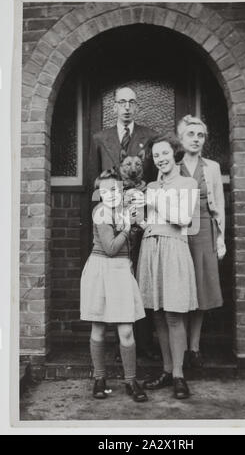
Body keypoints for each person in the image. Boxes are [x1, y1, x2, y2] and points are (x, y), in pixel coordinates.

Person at [89, 86, 158, 360]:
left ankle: (143, 342)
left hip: (139, 218)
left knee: (140, 277)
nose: (127, 107)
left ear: (137, 107)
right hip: (110, 222)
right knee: (113, 278)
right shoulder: (99, 137)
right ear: (114, 107)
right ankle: (113, 344)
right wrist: (102, 221)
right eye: (121, 102)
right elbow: (92, 183)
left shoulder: (149, 137)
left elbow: (153, 180)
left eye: (131, 102)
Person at [136, 133, 199, 399]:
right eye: (155, 155)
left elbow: (183, 218)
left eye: (164, 153)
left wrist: (153, 203)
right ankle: (165, 370)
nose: (160, 159)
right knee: (158, 314)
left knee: (174, 314)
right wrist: (140, 216)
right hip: (151, 248)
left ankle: (179, 375)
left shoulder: (188, 183)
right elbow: (142, 218)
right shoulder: (150, 187)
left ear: (174, 153)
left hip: (174, 248)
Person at [80, 169, 148, 402]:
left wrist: (137, 222)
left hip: (120, 271)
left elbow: (138, 231)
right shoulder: (100, 211)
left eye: (116, 189)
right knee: (98, 327)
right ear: (99, 193)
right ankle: (99, 378)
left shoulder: (123, 211)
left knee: (126, 330)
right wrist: (128, 228)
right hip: (101, 268)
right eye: (106, 190)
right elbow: (109, 248)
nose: (111, 193)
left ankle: (131, 380)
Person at [177, 115, 226, 368]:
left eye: (200, 135)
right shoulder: (173, 167)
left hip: (205, 231)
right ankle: (180, 347)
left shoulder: (213, 168)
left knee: (201, 289)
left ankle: (194, 348)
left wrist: (220, 239)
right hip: (180, 234)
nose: (196, 139)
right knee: (182, 289)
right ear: (181, 138)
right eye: (190, 134)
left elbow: (219, 206)